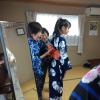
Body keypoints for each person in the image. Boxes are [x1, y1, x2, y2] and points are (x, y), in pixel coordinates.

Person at [27, 22, 52, 100]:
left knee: (42, 82)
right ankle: (39, 96)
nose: (41, 34)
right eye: (40, 32)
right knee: (38, 84)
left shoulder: (37, 40)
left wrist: (45, 39)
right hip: (36, 68)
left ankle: (40, 94)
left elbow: (45, 44)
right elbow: (35, 59)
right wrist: (47, 53)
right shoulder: (30, 44)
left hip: (42, 66)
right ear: (33, 34)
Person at [49, 18, 72, 100]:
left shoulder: (53, 37)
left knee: (53, 83)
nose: (68, 30)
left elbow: (51, 52)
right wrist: (66, 67)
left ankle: (52, 98)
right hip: (58, 66)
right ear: (62, 28)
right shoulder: (62, 40)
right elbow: (63, 56)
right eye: (67, 28)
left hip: (52, 65)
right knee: (58, 84)